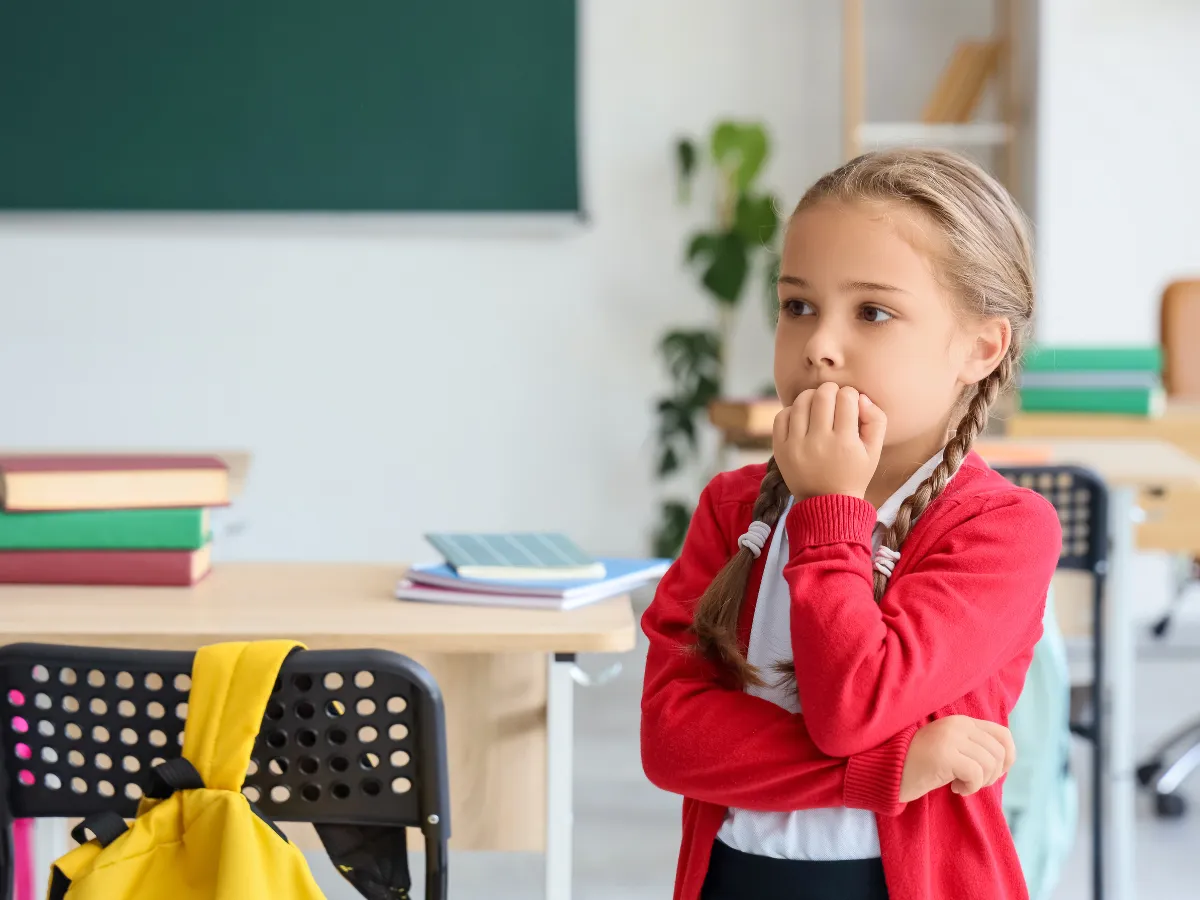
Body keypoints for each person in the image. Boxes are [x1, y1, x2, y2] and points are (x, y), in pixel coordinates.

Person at [640, 148, 1062, 900]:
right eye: (798, 306)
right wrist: (891, 771)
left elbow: (855, 707)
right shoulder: (735, 507)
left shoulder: (1002, 530)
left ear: (980, 347)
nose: (819, 346)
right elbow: (672, 741)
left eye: (872, 312)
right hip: (736, 878)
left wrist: (833, 508)